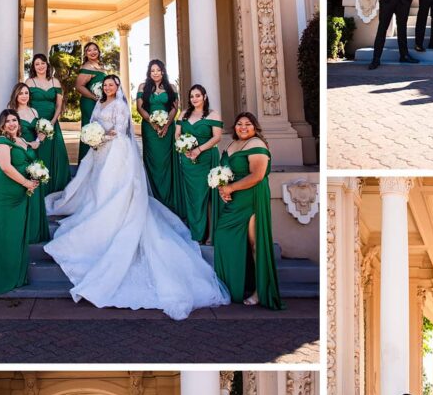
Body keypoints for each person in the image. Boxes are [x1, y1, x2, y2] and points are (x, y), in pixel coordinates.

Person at [44, 75, 229, 318]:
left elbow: (120, 130)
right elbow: (92, 122)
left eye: (112, 85)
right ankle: (99, 213)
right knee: (97, 189)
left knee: (116, 188)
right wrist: (92, 136)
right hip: (99, 152)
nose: (109, 88)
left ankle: (115, 215)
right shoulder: (99, 104)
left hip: (116, 150)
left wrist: (100, 137)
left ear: (118, 87)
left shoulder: (121, 105)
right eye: (106, 85)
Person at [213, 112, 282, 309]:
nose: (243, 127)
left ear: (255, 127)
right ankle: (230, 286)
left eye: (248, 124)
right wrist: (222, 189)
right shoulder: (231, 144)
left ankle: (260, 291)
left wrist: (231, 188)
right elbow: (224, 173)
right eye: (239, 124)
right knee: (224, 236)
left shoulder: (257, 145)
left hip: (251, 198)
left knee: (255, 245)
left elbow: (258, 175)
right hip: (233, 200)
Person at [0, 109, 38, 296]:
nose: (12, 123)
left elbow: (32, 152)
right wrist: (27, 182)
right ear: (2, 125)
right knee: (4, 232)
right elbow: (6, 167)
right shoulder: (1, 142)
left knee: (16, 233)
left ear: (19, 123)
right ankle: (1, 277)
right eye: (8, 121)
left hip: (20, 192)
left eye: (14, 120)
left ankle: (16, 274)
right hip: (5, 191)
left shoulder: (21, 140)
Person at [175, 84, 223, 242]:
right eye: (192, 96)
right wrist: (185, 148)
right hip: (188, 161)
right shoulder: (183, 114)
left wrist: (198, 150)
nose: (194, 99)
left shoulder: (213, 114)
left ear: (204, 97)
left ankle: (208, 235)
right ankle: (195, 234)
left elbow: (217, 137)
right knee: (192, 197)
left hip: (206, 159)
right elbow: (177, 135)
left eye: (197, 95)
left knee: (206, 196)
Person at [7, 82, 50, 245]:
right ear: (16, 96)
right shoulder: (12, 114)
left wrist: (39, 139)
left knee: (36, 189)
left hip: (35, 154)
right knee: (23, 191)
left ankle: (35, 231)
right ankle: (22, 232)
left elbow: (38, 133)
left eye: (26, 93)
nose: (24, 96)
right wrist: (27, 143)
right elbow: (10, 135)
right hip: (20, 155)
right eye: (21, 93)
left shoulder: (34, 111)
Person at [136, 59, 180, 211]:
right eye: (152, 70)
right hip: (149, 129)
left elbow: (175, 108)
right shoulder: (143, 87)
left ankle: (169, 199)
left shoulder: (172, 87)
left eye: (158, 70)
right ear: (149, 72)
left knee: (166, 161)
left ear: (163, 71)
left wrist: (167, 125)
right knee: (153, 160)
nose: (155, 73)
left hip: (168, 130)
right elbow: (140, 108)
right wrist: (153, 123)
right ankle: (153, 197)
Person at [26, 53, 70, 194]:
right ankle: (38, 189)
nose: (40, 66)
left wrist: (51, 122)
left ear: (47, 65)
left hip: (52, 123)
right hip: (35, 124)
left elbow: (59, 105)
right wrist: (36, 123)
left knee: (58, 155)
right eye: (37, 64)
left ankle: (56, 188)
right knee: (39, 154)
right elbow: (25, 103)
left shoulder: (54, 82)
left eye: (42, 63)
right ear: (33, 66)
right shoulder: (29, 82)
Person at [75, 41, 109, 164]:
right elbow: (79, 86)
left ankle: (99, 163)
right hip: (90, 103)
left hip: (100, 103)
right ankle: (87, 165)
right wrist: (95, 97)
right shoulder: (87, 67)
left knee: (101, 131)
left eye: (95, 49)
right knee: (91, 130)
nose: (92, 52)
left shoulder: (100, 66)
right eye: (89, 50)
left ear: (99, 51)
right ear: (85, 54)